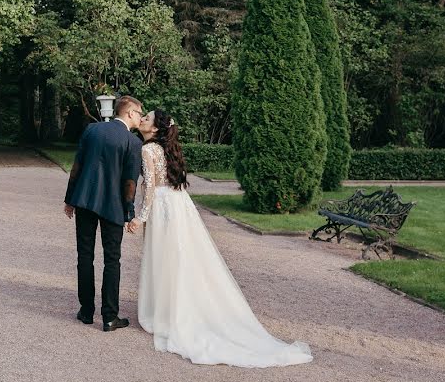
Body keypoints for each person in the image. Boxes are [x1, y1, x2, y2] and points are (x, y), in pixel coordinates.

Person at [127, 109, 313, 367]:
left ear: (156, 129)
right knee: (183, 257)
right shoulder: (166, 149)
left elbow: (149, 189)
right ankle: (178, 308)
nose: (143, 120)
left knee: (165, 258)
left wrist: (140, 217)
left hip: (162, 208)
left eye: (146, 118)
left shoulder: (147, 151)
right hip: (179, 205)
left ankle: (167, 314)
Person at [64, 95, 144, 332]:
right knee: (112, 260)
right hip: (113, 207)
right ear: (129, 113)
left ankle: (86, 311)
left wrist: (70, 199)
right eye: (140, 112)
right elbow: (130, 182)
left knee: (84, 256)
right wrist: (128, 213)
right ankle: (109, 317)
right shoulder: (133, 142)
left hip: (85, 201)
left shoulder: (92, 130)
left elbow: (77, 165)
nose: (141, 117)